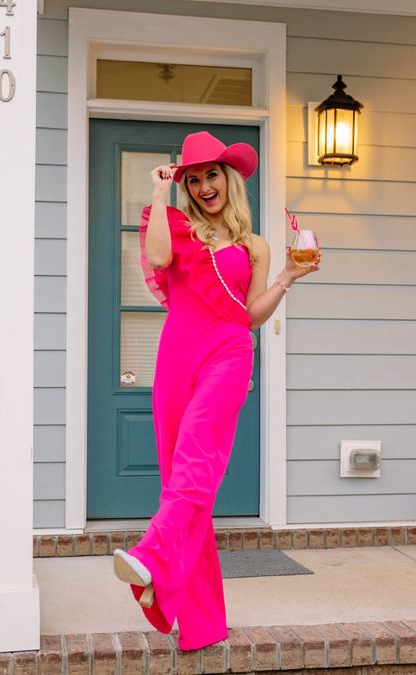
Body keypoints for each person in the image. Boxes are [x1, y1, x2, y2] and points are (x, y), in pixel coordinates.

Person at [113, 131, 321, 651]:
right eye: (194, 178)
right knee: (186, 484)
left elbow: (249, 315)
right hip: (176, 356)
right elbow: (158, 259)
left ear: (228, 180)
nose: (205, 185)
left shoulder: (256, 246)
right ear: (186, 184)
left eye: (211, 175)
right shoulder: (178, 225)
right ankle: (202, 624)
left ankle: (153, 554)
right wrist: (160, 196)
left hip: (228, 354)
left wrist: (288, 278)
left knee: (198, 459)